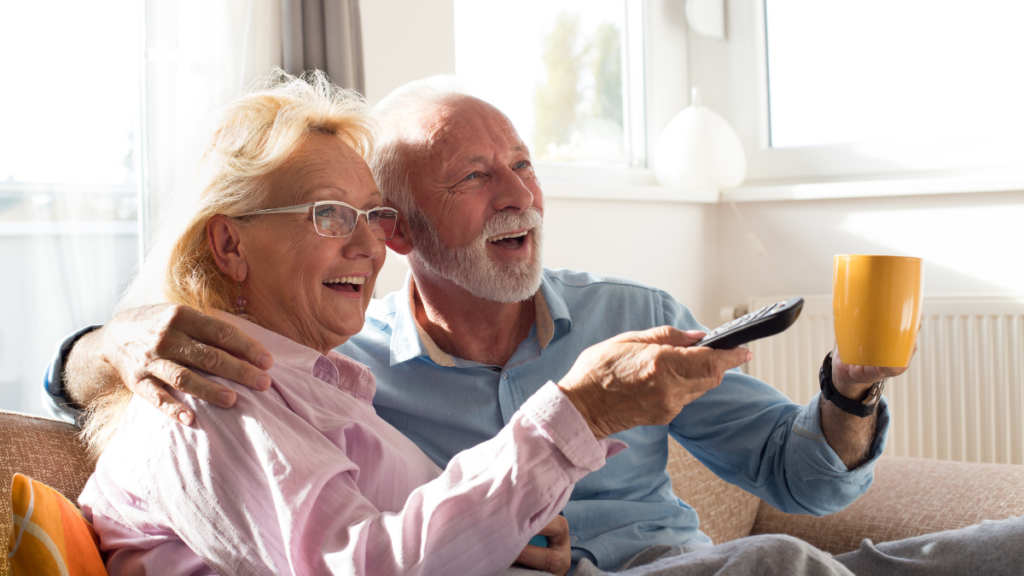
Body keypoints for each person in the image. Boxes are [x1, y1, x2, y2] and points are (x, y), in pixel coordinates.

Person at [47, 75, 1023, 575]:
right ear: (403, 229)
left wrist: (850, 386)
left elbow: (798, 478)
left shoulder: (629, 315)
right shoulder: (345, 371)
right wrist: (103, 343)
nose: (521, 195)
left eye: (523, 164)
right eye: (473, 177)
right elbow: (363, 551)